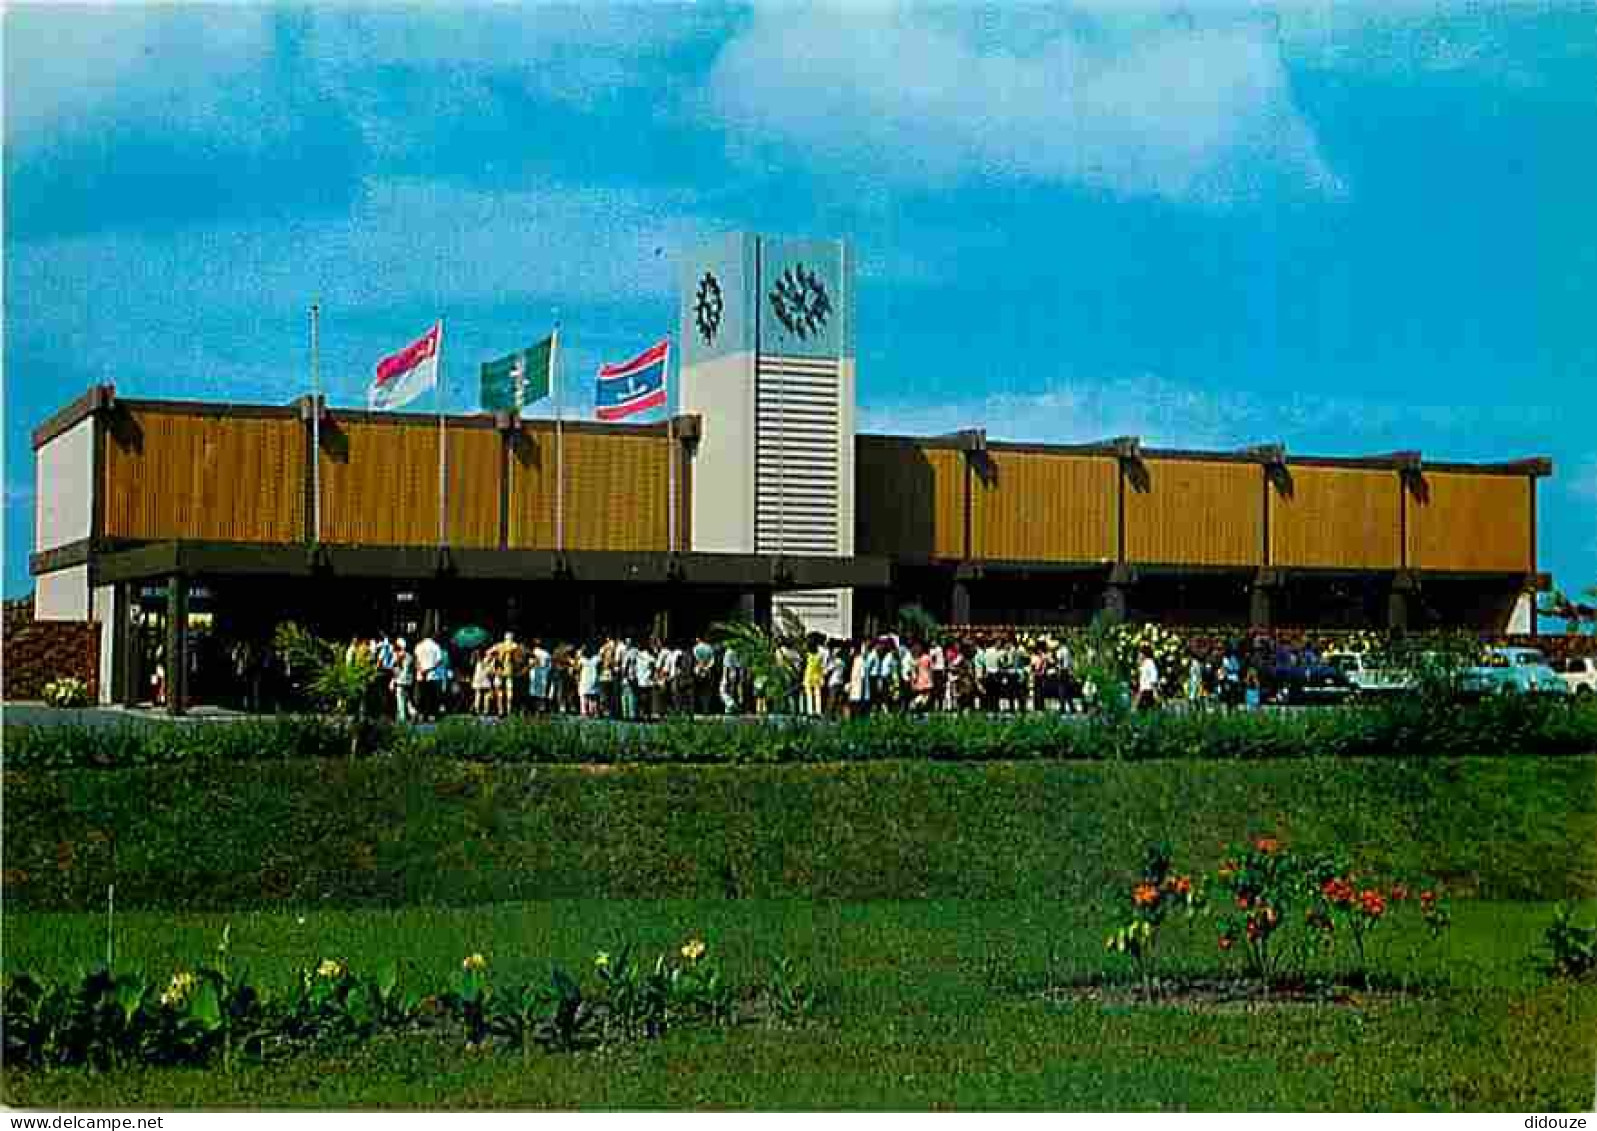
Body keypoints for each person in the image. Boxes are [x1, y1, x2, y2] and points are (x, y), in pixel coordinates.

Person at [414, 633, 443, 720]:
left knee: (421, 696)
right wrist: (429, 669)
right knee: (431, 696)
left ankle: (421, 714)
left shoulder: (418, 646)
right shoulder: (436, 646)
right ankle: (431, 714)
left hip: (420, 675)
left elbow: (416, 660)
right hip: (432, 675)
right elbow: (439, 661)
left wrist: (420, 669)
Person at [392, 637, 417, 724]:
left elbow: (397, 670)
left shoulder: (399, 656)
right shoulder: (409, 656)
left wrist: (394, 680)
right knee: (408, 699)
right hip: (409, 681)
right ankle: (413, 712)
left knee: (400, 700)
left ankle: (402, 719)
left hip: (401, 681)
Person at [528, 638, 552, 716]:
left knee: (533, 692)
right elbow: (549, 666)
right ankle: (541, 709)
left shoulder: (532, 653)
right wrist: (546, 671)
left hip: (534, 674)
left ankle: (534, 709)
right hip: (543, 674)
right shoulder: (546, 653)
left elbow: (530, 664)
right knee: (542, 693)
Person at [803, 643, 825, 717]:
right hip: (815, 676)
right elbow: (821, 667)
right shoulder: (819, 656)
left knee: (810, 694)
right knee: (817, 694)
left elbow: (805, 666)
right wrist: (821, 677)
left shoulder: (808, 655)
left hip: (809, 676)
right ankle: (817, 711)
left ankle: (811, 711)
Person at [1136, 646, 1160, 712]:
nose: (1139, 655)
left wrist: (1154, 691)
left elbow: (1153, 677)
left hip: (1149, 690)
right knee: (1142, 710)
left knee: (1145, 710)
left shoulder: (1149, 663)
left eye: (1140, 653)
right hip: (1144, 690)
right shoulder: (1144, 664)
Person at [471, 649, 493, 715]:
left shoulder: (478, 662)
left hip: (480, 679)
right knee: (484, 694)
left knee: (479, 694)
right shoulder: (484, 661)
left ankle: (478, 709)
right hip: (483, 678)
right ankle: (484, 710)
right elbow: (489, 670)